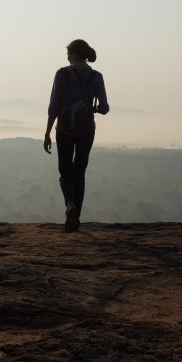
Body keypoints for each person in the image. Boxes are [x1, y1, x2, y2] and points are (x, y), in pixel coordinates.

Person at [43, 39, 109, 233]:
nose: (67, 57)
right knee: (79, 172)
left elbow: (54, 107)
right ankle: (77, 216)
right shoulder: (96, 76)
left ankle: (69, 204)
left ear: (72, 54)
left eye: (68, 53)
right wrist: (93, 107)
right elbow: (105, 108)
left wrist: (47, 133)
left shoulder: (62, 74)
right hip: (87, 129)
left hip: (64, 128)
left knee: (65, 172)